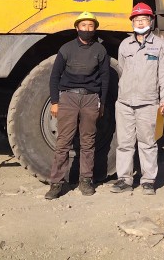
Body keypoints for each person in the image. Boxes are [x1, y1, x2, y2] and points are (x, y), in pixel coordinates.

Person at [45, 11, 110, 200]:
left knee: (88, 141)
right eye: (83, 25)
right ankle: (56, 183)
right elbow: (55, 76)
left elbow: (105, 78)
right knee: (63, 142)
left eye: (91, 26)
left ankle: (86, 180)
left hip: (91, 98)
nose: (87, 29)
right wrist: (55, 102)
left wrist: (102, 103)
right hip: (68, 98)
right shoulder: (66, 49)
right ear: (77, 28)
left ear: (95, 28)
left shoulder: (100, 50)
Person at [110, 3, 164, 195]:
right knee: (124, 143)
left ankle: (148, 181)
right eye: (136, 19)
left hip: (148, 103)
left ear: (151, 21)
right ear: (132, 22)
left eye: (144, 19)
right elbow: (123, 70)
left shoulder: (159, 45)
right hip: (125, 103)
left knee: (148, 143)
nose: (140, 22)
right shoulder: (125, 45)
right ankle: (124, 179)